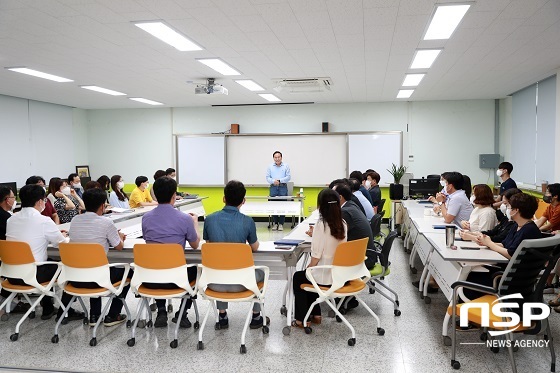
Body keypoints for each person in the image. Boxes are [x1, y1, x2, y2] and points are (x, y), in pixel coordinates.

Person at [5, 184, 84, 321]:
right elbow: (61, 244)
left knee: (48, 263)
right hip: (34, 275)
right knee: (71, 267)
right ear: (40, 201)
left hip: (11, 275)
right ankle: (65, 311)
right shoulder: (43, 221)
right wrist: (64, 236)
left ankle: (48, 308)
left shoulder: (11, 219)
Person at [202, 180, 266, 329]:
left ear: (224, 199)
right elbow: (254, 247)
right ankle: (256, 316)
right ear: (243, 201)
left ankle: (222, 315)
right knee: (261, 273)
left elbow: (209, 243)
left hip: (214, 282)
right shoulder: (247, 221)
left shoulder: (209, 219)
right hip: (242, 284)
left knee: (220, 265)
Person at [142, 177, 200, 328]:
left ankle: (161, 310)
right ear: (174, 195)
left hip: (150, 279)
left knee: (159, 264)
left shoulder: (145, 218)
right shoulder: (184, 218)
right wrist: (195, 224)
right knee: (196, 270)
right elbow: (195, 245)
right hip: (177, 279)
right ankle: (182, 313)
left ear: (155, 195)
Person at [68, 188, 129, 327]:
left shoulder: (75, 220)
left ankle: (94, 315)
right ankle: (113, 315)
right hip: (98, 280)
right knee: (127, 272)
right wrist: (119, 237)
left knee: (90, 266)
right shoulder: (106, 222)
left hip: (76, 278)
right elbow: (119, 246)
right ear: (102, 206)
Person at [292, 188, 347, 328]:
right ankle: (316, 315)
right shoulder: (343, 224)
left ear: (320, 206)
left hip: (324, 276)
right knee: (309, 274)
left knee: (301, 276)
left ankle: (302, 319)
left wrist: (308, 267)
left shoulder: (321, 225)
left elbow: (315, 257)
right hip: (338, 275)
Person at [0, 186, 31, 314]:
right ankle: (48, 306)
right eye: (13, 197)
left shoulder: (8, 217)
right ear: (7, 200)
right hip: (11, 260)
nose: (14, 200)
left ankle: (6, 301)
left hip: (6, 261)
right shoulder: (7, 219)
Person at [334, 184, 377, 269]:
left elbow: (336, 235)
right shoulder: (351, 205)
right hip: (367, 254)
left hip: (363, 258)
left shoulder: (345, 212)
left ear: (340, 197)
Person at [266, 151, 291, 231]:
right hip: (273, 187)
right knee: (273, 206)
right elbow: (267, 177)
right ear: (273, 158)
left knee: (283, 206)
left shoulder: (286, 166)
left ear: (281, 157)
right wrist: (274, 181)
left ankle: (281, 224)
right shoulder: (270, 167)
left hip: (282, 187)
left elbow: (288, 177)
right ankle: (275, 223)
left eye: (278, 157)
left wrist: (279, 180)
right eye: (275, 157)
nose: (277, 159)